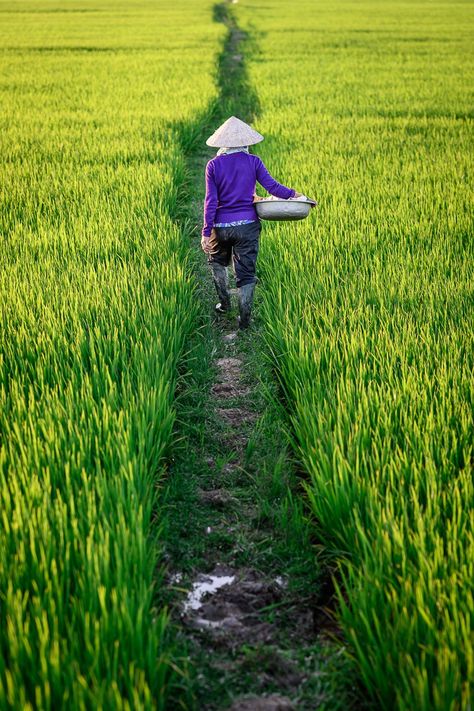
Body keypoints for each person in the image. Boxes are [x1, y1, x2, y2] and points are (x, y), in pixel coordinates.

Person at [201, 115, 305, 330]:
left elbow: (211, 201)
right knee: (246, 272)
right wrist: (295, 195)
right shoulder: (253, 161)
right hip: (247, 225)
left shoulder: (213, 165)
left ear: (223, 143)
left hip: (220, 227)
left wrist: (206, 231)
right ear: (245, 142)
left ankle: (225, 304)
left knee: (217, 262)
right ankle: (245, 320)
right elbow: (273, 187)